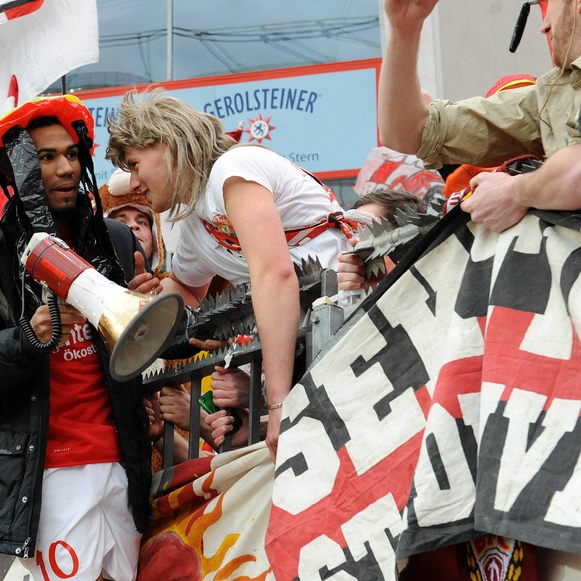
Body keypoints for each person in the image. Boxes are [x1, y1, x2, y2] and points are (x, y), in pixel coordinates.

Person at [0, 95, 152, 579]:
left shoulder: (116, 240)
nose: (65, 168)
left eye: (72, 154)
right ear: (16, 171)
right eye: (45, 157)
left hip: (123, 463)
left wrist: (147, 310)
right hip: (45, 475)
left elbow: (141, 353)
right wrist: (30, 336)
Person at [106, 90, 353, 461]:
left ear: (167, 144)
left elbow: (275, 275)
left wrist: (278, 405)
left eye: (135, 164)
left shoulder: (233, 168)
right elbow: (187, 291)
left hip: (349, 321)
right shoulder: (189, 221)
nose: (135, 183)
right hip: (315, 338)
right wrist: (139, 301)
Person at [378, 0, 581, 220]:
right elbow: (409, 134)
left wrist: (513, 192)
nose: (544, 25)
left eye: (550, 2)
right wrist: (404, 29)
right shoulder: (553, 92)